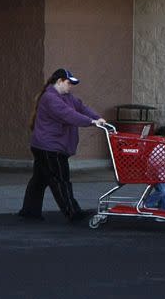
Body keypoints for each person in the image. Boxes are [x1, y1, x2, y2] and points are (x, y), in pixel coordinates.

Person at [18, 68, 106, 223]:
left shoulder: (66, 97)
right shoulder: (50, 98)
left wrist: (97, 117)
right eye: (68, 83)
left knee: (39, 180)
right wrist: (91, 122)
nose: (70, 86)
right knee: (61, 180)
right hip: (50, 147)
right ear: (59, 81)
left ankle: (29, 211)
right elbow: (68, 114)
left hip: (45, 146)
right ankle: (72, 212)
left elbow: (81, 107)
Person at [143, 125, 165, 210]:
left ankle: (163, 210)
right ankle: (145, 205)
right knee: (163, 191)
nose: (164, 140)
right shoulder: (156, 145)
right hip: (155, 173)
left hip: (160, 173)